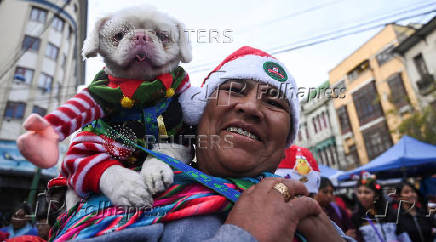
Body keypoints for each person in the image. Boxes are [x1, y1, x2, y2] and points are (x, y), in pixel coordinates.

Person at [49, 46, 352, 241]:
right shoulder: (134, 198)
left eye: (274, 103)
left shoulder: (308, 215)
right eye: (234, 90)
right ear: (197, 112)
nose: (251, 108)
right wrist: (244, 236)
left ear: (285, 141)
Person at [351, 173, 410, 242]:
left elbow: (403, 236)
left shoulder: (390, 213)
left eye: (366, 192)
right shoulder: (356, 217)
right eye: (359, 192)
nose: (362, 196)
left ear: (377, 196)